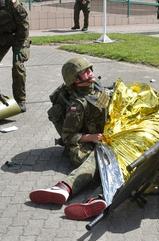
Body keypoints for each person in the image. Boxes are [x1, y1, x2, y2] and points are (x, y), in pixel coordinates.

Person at [29, 57, 111, 220]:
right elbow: (69, 136)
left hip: (99, 139)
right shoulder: (77, 105)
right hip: (80, 145)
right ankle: (94, 195)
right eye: (85, 72)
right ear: (75, 79)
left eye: (90, 69)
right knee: (101, 161)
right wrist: (93, 137)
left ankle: (87, 196)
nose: (91, 73)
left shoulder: (95, 88)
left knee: (111, 158)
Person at [0, 0, 30, 112]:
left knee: (18, 64)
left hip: (20, 36)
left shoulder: (12, 3)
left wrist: (20, 48)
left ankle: (20, 100)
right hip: (3, 36)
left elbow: (24, 23)